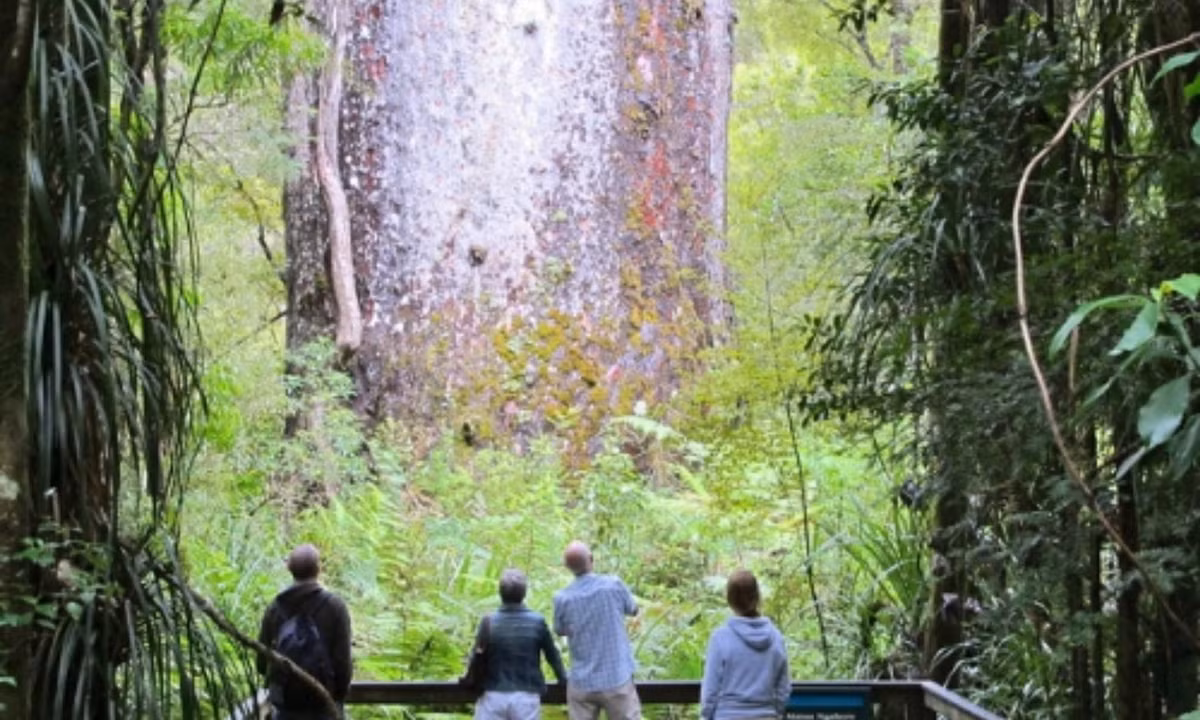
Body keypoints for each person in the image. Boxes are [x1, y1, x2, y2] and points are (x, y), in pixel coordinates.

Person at [257, 544, 353, 719]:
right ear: (319, 569)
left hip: (286, 707)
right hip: (324, 705)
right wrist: (337, 699)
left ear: (289, 569)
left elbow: (262, 663)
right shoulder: (335, 607)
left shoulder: (275, 608)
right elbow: (343, 663)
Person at [553, 540, 641, 720]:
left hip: (582, 683)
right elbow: (633, 609)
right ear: (591, 559)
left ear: (567, 567)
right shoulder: (613, 586)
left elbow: (559, 630)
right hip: (616, 679)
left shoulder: (562, 599)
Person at [470, 568, 568, 720]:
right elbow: (552, 656)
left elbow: (475, 657)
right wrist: (564, 679)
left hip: (493, 695)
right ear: (524, 593)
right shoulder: (537, 622)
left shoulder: (488, 622)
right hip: (526, 696)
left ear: (500, 593)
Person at [700, 570, 790, 720]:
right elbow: (783, 688)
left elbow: (710, 689)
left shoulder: (720, 638)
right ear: (758, 597)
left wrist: (706, 716)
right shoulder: (775, 637)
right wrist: (774, 711)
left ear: (729, 600)